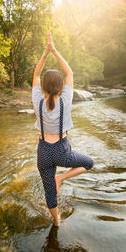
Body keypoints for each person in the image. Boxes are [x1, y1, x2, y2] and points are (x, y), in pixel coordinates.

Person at [32, 32, 94, 226]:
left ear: (43, 86)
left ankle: (57, 222)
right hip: (62, 152)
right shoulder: (66, 100)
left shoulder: (37, 100)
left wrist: (45, 52)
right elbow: (70, 73)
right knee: (88, 163)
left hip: (43, 152)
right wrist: (54, 50)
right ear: (60, 87)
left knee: (49, 193)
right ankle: (62, 178)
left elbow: (35, 74)